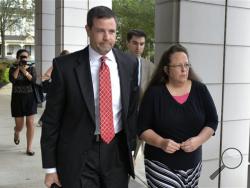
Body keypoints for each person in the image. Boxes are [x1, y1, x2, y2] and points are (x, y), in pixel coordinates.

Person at [40, 6, 138, 188]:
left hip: (116, 153)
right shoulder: (64, 67)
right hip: (78, 154)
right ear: (88, 30)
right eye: (100, 31)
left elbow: (131, 109)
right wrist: (50, 168)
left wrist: (130, 147)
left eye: (112, 31)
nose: (107, 37)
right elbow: (51, 119)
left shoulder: (129, 63)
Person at [137, 44, 218, 188]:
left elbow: (212, 121)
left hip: (193, 164)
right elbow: (142, 129)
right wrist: (161, 142)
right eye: (178, 66)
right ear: (167, 69)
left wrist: (198, 140)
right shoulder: (154, 94)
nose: (184, 69)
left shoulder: (200, 89)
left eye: (186, 65)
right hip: (160, 164)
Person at [127, 29, 155, 158]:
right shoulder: (116, 62)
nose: (138, 47)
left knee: (135, 155)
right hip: (123, 117)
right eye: (135, 43)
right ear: (128, 43)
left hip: (141, 117)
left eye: (142, 44)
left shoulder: (151, 67)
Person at [9, 49, 37, 156]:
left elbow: (33, 80)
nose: (24, 59)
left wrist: (25, 71)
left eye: (26, 57)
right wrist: (18, 68)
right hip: (17, 100)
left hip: (30, 99)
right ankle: (16, 132)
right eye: (22, 57)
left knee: (30, 123)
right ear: (18, 58)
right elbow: (12, 80)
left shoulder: (31, 68)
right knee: (20, 126)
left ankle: (29, 148)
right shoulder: (13, 68)